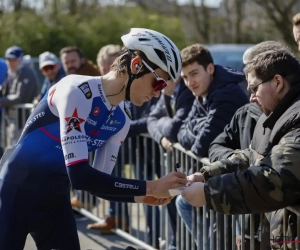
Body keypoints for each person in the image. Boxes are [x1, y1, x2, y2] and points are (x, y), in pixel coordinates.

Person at [0, 28, 187, 250]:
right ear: (136, 65)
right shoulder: (76, 90)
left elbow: (99, 183)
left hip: (55, 199)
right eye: (159, 83)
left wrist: (141, 196)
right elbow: (80, 176)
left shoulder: (121, 120)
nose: (158, 93)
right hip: (15, 192)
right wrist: (151, 186)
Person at [181, 45, 300, 249]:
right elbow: (253, 156)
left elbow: (274, 179)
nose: (251, 97)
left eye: (254, 88)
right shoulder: (274, 115)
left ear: (278, 82)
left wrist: (209, 193)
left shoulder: (295, 120)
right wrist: (206, 175)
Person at [177, 43, 249, 158]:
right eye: (185, 77)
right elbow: (180, 134)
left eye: (194, 74)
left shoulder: (226, 94)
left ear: (210, 69)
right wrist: (201, 125)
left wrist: (194, 126)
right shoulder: (202, 93)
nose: (190, 83)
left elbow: (201, 147)